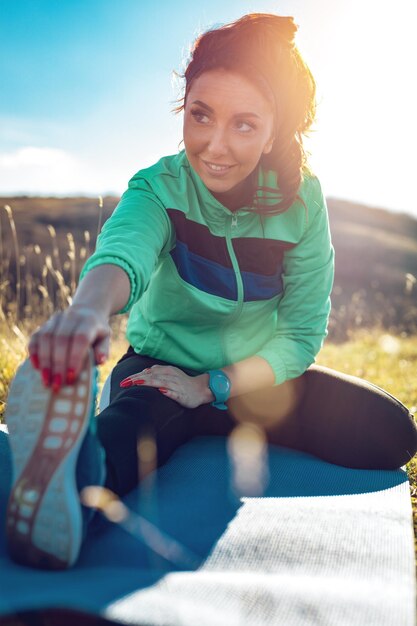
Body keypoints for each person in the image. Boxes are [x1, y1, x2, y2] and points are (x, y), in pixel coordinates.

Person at [4, 13, 417, 571]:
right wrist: (87, 312)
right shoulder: (159, 187)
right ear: (184, 110)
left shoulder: (302, 203)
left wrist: (214, 387)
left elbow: (299, 336)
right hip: (161, 372)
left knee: (390, 431)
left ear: (274, 131)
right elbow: (123, 252)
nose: (215, 147)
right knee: (132, 431)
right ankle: (63, 497)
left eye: (244, 125)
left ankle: (190, 418)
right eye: (201, 116)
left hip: (254, 383)